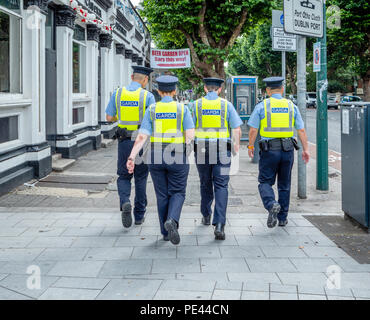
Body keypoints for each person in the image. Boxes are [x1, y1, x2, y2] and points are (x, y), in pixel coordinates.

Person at [127, 75, 195, 245]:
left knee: (162, 194)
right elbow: (190, 134)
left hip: (155, 155)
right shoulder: (182, 109)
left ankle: (165, 232)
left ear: (158, 91)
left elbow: (142, 136)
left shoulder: (152, 109)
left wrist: (132, 156)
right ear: (175, 91)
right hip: (177, 154)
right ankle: (172, 220)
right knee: (178, 192)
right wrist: (187, 150)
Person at [247, 77, 310, 228]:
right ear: (282, 89)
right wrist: (306, 149)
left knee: (265, 182)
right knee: (284, 184)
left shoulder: (262, 106)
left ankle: (271, 204)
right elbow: (300, 130)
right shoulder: (291, 106)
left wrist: (250, 146)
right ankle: (282, 218)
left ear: (268, 91)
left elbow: (253, 130)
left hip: (269, 151)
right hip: (288, 150)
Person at [191, 78, 242, 240]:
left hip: (202, 150)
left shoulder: (196, 105)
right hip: (222, 150)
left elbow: (189, 129)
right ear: (219, 90)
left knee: (205, 182)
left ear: (205, 88)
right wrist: (236, 146)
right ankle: (219, 224)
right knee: (221, 185)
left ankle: (206, 215)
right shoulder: (226, 105)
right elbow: (237, 128)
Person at [105, 66, 155, 228]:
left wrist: (120, 118)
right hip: (142, 142)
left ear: (132, 76)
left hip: (124, 141)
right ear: (145, 80)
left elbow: (109, 117)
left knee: (124, 176)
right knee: (141, 177)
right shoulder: (147, 96)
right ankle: (139, 215)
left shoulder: (118, 93)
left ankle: (125, 201)